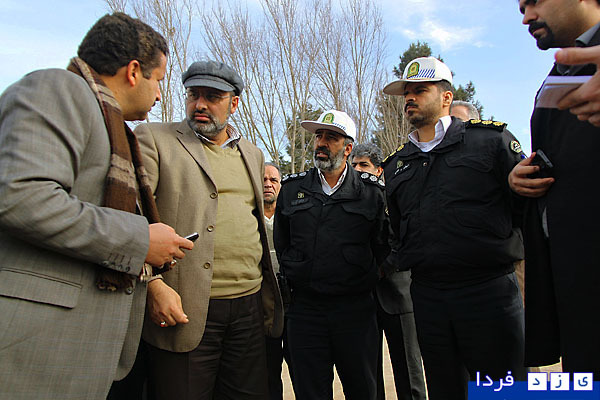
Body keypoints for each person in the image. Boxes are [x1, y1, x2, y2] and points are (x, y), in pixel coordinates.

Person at [0, 13, 193, 399]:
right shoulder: (56, 89)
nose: (159, 95)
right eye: (159, 80)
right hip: (33, 346)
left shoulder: (114, 129)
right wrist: (141, 240)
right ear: (133, 71)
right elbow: (20, 195)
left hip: (75, 348)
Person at [135, 60, 284, 400]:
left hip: (248, 308)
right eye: (194, 95)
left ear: (234, 103)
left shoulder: (252, 154)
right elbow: (132, 217)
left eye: (212, 97)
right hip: (184, 308)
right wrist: (152, 285)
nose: (200, 104)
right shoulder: (155, 139)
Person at [381, 57, 527, 399]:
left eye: (420, 90)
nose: (410, 98)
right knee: (446, 389)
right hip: (429, 297)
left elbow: (524, 209)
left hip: (487, 292)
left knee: (502, 390)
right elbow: (399, 228)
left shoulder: (489, 142)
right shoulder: (397, 165)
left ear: (446, 97)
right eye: (406, 93)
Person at [510, 0, 600, 375]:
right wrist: (521, 179)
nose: (526, 17)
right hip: (576, 285)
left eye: (534, 1)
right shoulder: (559, 73)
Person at [274, 110, 389, 400]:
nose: (322, 143)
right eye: (319, 136)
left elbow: (383, 245)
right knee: (310, 391)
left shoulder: (371, 192)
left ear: (348, 148)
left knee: (363, 390)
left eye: (331, 137)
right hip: (305, 312)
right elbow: (283, 243)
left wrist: (368, 274)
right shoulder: (292, 190)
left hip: (355, 312)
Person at [350, 143, 426, 400]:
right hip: (362, 300)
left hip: (397, 295)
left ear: (379, 170)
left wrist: (379, 271)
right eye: (353, 165)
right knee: (367, 375)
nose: (358, 170)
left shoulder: (392, 196)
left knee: (409, 370)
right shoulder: (347, 202)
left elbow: (403, 242)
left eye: (364, 165)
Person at [262, 161, 292, 400]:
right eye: (263, 179)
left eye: (273, 180)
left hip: (292, 303)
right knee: (268, 374)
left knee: (302, 369)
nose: (268, 184)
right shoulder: (248, 217)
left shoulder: (291, 215)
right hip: (262, 307)